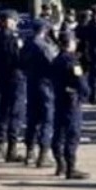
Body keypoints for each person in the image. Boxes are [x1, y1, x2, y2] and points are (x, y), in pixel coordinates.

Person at [51, 31, 91, 179]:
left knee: (59, 132)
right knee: (72, 133)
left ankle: (60, 164)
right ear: (70, 43)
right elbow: (81, 83)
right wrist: (85, 94)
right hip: (71, 101)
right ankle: (70, 167)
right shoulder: (72, 62)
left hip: (59, 98)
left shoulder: (56, 60)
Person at [21, 19, 59, 168]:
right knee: (47, 118)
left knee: (32, 118)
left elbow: (21, 62)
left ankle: (29, 151)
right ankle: (43, 153)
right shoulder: (44, 46)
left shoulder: (27, 44)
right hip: (46, 84)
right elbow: (53, 64)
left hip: (31, 82)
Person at [0, 10, 27, 162]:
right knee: (16, 112)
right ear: (11, 21)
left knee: (3, 110)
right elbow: (19, 58)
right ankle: (11, 148)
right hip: (15, 77)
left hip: (1, 76)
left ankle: (0, 145)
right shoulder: (13, 38)